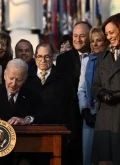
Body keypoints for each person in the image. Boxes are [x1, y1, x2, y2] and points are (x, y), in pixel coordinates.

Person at [56, 21, 92, 165]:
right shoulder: (62, 59)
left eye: (82, 36)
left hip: (93, 112)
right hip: (71, 115)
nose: (77, 39)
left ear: (89, 36)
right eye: (75, 36)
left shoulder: (99, 56)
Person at [91, 13, 120, 165]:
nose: (109, 37)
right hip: (105, 117)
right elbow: (95, 85)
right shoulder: (103, 56)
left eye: (112, 32)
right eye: (107, 33)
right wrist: (102, 93)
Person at [77, 27, 108, 165]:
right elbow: (82, 88)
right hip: (89, 111)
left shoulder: (111, 60)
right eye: (93, 41)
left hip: (106, 113)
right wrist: (84, 110)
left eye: (99, 40)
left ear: (105, 42)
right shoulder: (86, 61)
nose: (95, 44)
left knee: (105, 156)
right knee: (88, 157)